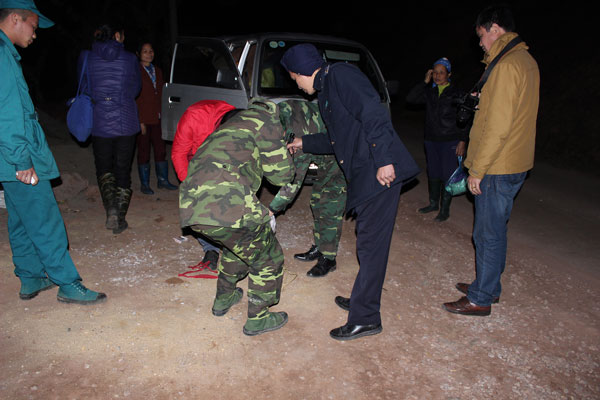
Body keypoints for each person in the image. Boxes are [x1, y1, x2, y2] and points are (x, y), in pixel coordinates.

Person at [282, 44, 420, 340]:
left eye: (294, 77)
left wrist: (384, 159)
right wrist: (303, 143)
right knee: (366, 244)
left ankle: (367, 317)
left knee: (371, 247)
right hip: (366, 173)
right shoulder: (326, 91)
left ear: (304, 70)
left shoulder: (341, 75)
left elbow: (373, 111)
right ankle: (362, 299)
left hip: (379, 173)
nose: (296, 83)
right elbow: (336, 140)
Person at [0, 0, 106, 304]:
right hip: (19, 156)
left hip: (9, 158)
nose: (36, 33)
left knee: (20, 218)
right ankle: (67, 283)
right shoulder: (2, 56)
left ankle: (31, 276)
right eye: (34, 26)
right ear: (16, 19)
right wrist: (22, 160)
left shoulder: (6, 53)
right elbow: (6, 114)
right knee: (45, 217)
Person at [443, 5, 539, 316]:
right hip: (513, 160)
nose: (481, 43)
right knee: (495, 229)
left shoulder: (508, 65)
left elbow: (498, 125)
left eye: (482, 36)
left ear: (495, 29)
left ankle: (480, 298)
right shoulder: (524, 61)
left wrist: (478, 170)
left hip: (498, 164)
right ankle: (488, 286)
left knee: (487, 232)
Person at [179, 98, 295, 336]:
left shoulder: (227, 128)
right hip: (227, 204)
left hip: (192, 207)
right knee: (268, 257)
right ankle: (259, 318)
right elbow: (282, 176)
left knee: (236, 245)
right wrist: (284, 152)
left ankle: (224, 298)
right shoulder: (266, 122)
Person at [269, 99, 346, 277]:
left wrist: (271, 210)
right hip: (323, 151)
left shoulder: (297, 133)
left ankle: (328, 258)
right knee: (317, 202)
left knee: (329, 205)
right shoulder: (279, 113)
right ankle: (320, 247)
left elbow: (293, 181)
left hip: (338, 156)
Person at [78, 22, 141, 234]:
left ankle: (111, 210)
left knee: (104, 168)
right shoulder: (131, 58)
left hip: (100, 121)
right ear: (117, 35)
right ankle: (120, 219)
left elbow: (84, 86)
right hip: (126, 120)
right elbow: (136, 88)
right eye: (123, 35)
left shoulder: (86, 56)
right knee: (123, 168)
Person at [172, 99, 237, 269]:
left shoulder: (239, 123)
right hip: (195, 164)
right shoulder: (194, 117)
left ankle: (233, 244)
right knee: (197, 208)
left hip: (221, 164)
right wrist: (190, 185)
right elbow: (179, 153)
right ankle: (211, 249)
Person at [406, 57, 468, 222]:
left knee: (448, 174)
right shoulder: (430, 92)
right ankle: (433, 204)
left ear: (449, 74)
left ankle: (445, 210)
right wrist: (424, 82)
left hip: (450, 140)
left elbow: (466, 118)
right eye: (435, 73)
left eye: (442, 73)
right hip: (431, 139)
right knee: (433, 172)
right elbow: (411, 99)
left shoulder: (457, 93)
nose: (438, 76)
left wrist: (462, 140)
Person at [135, 41, 177, 195]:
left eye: (151, 51)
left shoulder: (157, 71)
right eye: (145, 51)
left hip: (159, 117)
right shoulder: (135, 71)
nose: (149, 54)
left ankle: (163, 180)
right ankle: (145, 184)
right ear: (138, 54)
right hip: (144, 118)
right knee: (144, 151)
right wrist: (139, 120)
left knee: (160, 150)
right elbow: (135, 97)